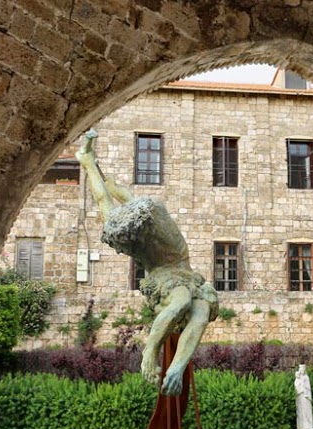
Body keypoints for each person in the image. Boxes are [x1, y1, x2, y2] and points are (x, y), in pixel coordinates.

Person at [76, 129, 218, 395]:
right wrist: (91, 165)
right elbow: (104, 197)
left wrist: (108, 181)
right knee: (184, 303)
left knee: (199, 309)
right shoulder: (130, 234)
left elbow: (118, 194)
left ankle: (172, 367)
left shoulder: (153, 219)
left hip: (182, 271)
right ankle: (151, 353)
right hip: (165, 277)